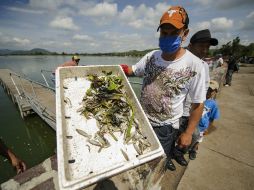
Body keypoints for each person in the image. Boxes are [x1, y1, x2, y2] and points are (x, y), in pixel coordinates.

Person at [121, 6, 206, 171]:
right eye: (164, 33)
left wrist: (188, 133)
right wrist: (118, 70)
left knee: (155, 164)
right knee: (136, 159)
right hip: (140, 119)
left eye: (174, 33)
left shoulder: (195, 65)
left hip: (165, 127)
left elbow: (198, 103)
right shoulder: (152, 56)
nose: (167, 37)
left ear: (185, 34)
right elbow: (133, 71)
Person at [181, 29, 218, 160]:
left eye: (207, 47)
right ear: (190, 45)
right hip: (177, 110)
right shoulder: (180, 63)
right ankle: (171, 155)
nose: (204, 50)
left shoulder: (204, 66)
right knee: (174, 135)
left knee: (194, 134)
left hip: (192, 110)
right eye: (201, 46)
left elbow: (205, 87)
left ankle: (181, 153)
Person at [188, 80, 220, 160]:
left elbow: (212, 118)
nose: (208, 92)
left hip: (202, 126)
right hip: (193, 123)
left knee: (198, 139)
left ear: (215, 92)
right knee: (191, 136)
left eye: (210, 90)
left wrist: (208, 128)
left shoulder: (213, 104)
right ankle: (187, 147)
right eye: (207, 89)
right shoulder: (199, 98)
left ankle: (194, 149)